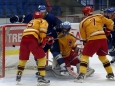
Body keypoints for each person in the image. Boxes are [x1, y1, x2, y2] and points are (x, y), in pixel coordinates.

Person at [10, 5, 68, 75]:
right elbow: (23, 18)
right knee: (38, 55)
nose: (43, 14)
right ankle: (41, 69)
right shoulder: (33, 16)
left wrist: (61, 28)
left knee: (55, 52)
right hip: (41, 40)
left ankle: (63, 68)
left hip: (51, 38)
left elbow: (60, 24)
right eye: (41, 12)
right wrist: (16, 18)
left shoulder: (50, 17)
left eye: (44, 12)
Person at [75, 6, 114, 82]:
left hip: (93, 39)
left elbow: (84, 37)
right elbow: (111, 22)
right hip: (103, 39)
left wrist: (85, 42)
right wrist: (108, 30)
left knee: (84, 57)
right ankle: (110, 73)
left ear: (84, 13)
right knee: (103, 57)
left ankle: (81, 75)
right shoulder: (99, 16)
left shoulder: (82, 23)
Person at [16, 11, 50, 85]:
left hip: (24, 39)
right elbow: (42, 31)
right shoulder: (42, 21)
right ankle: (41, 77)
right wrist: (43, 41)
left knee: (23, 59)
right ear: (41, 16)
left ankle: (19, 75)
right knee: (41, 58)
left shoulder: (30, 21)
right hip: (32, 39)